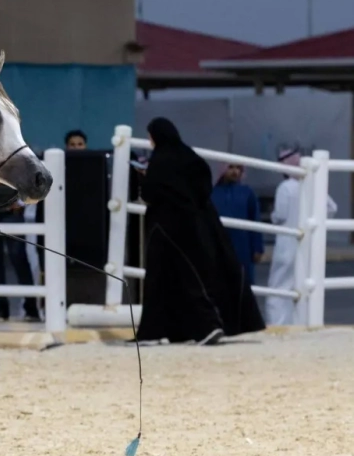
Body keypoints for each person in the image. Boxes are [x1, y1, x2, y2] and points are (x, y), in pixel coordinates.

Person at [135, 117, 264, 344]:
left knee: (172, 279)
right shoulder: (191, 157)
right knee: (197, 275)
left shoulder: (161, 160)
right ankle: (185, 330)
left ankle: (202, 328)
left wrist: (145, 180)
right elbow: (202, 188)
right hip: (201, 226)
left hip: (166, 230)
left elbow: (149, 194)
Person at [265, 148, 336, 324]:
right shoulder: (311, 187)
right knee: (301, 285)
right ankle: (298, 323)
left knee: (278, 286)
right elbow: (332, 208)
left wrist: (273, 216)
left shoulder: (285, 187)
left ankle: (277, 324)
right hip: (308, 243)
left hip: (285, 243)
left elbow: (279, 215)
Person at [210, 163, 264, 288]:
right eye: (231, 168)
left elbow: (254, 219)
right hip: (219, 245)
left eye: (238, 168)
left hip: (243, 246)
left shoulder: (247, 193)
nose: (235, 172)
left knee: (243, 283)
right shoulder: (213, 194)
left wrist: (257, 248)